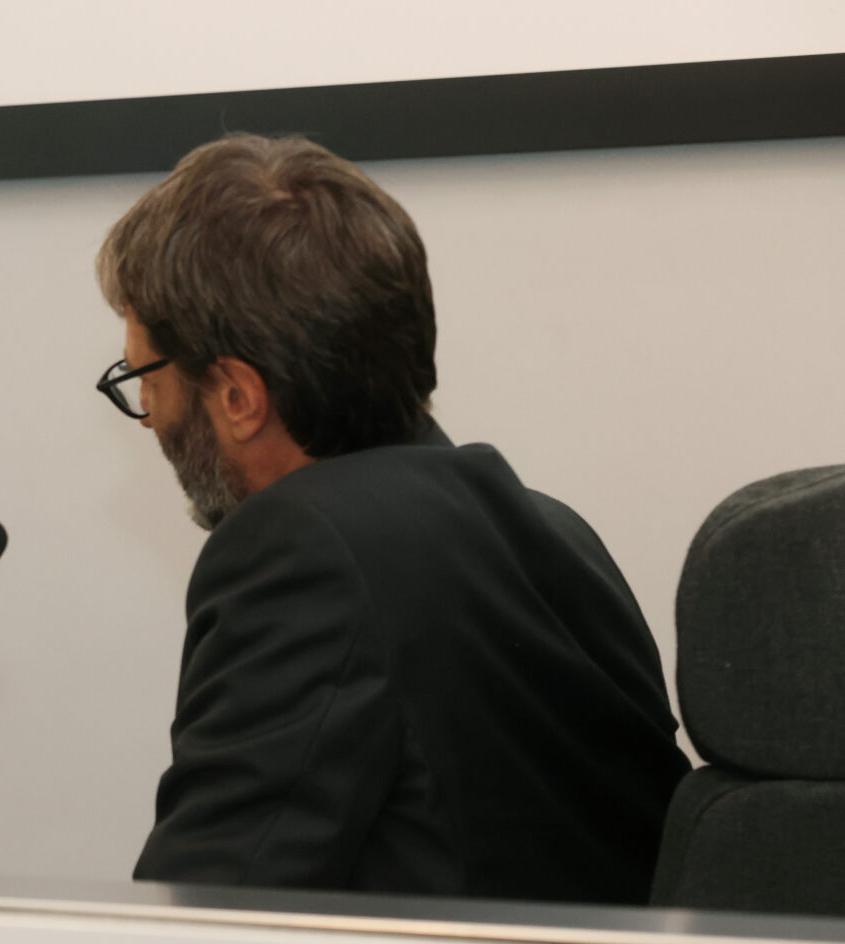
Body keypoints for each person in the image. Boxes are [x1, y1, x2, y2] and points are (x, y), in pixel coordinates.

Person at [96, 134, 688, 902]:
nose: (147, 412)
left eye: (145, 375)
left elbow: (207, 908)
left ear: (239, 396)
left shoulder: (300, 551)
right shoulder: (553, 530)